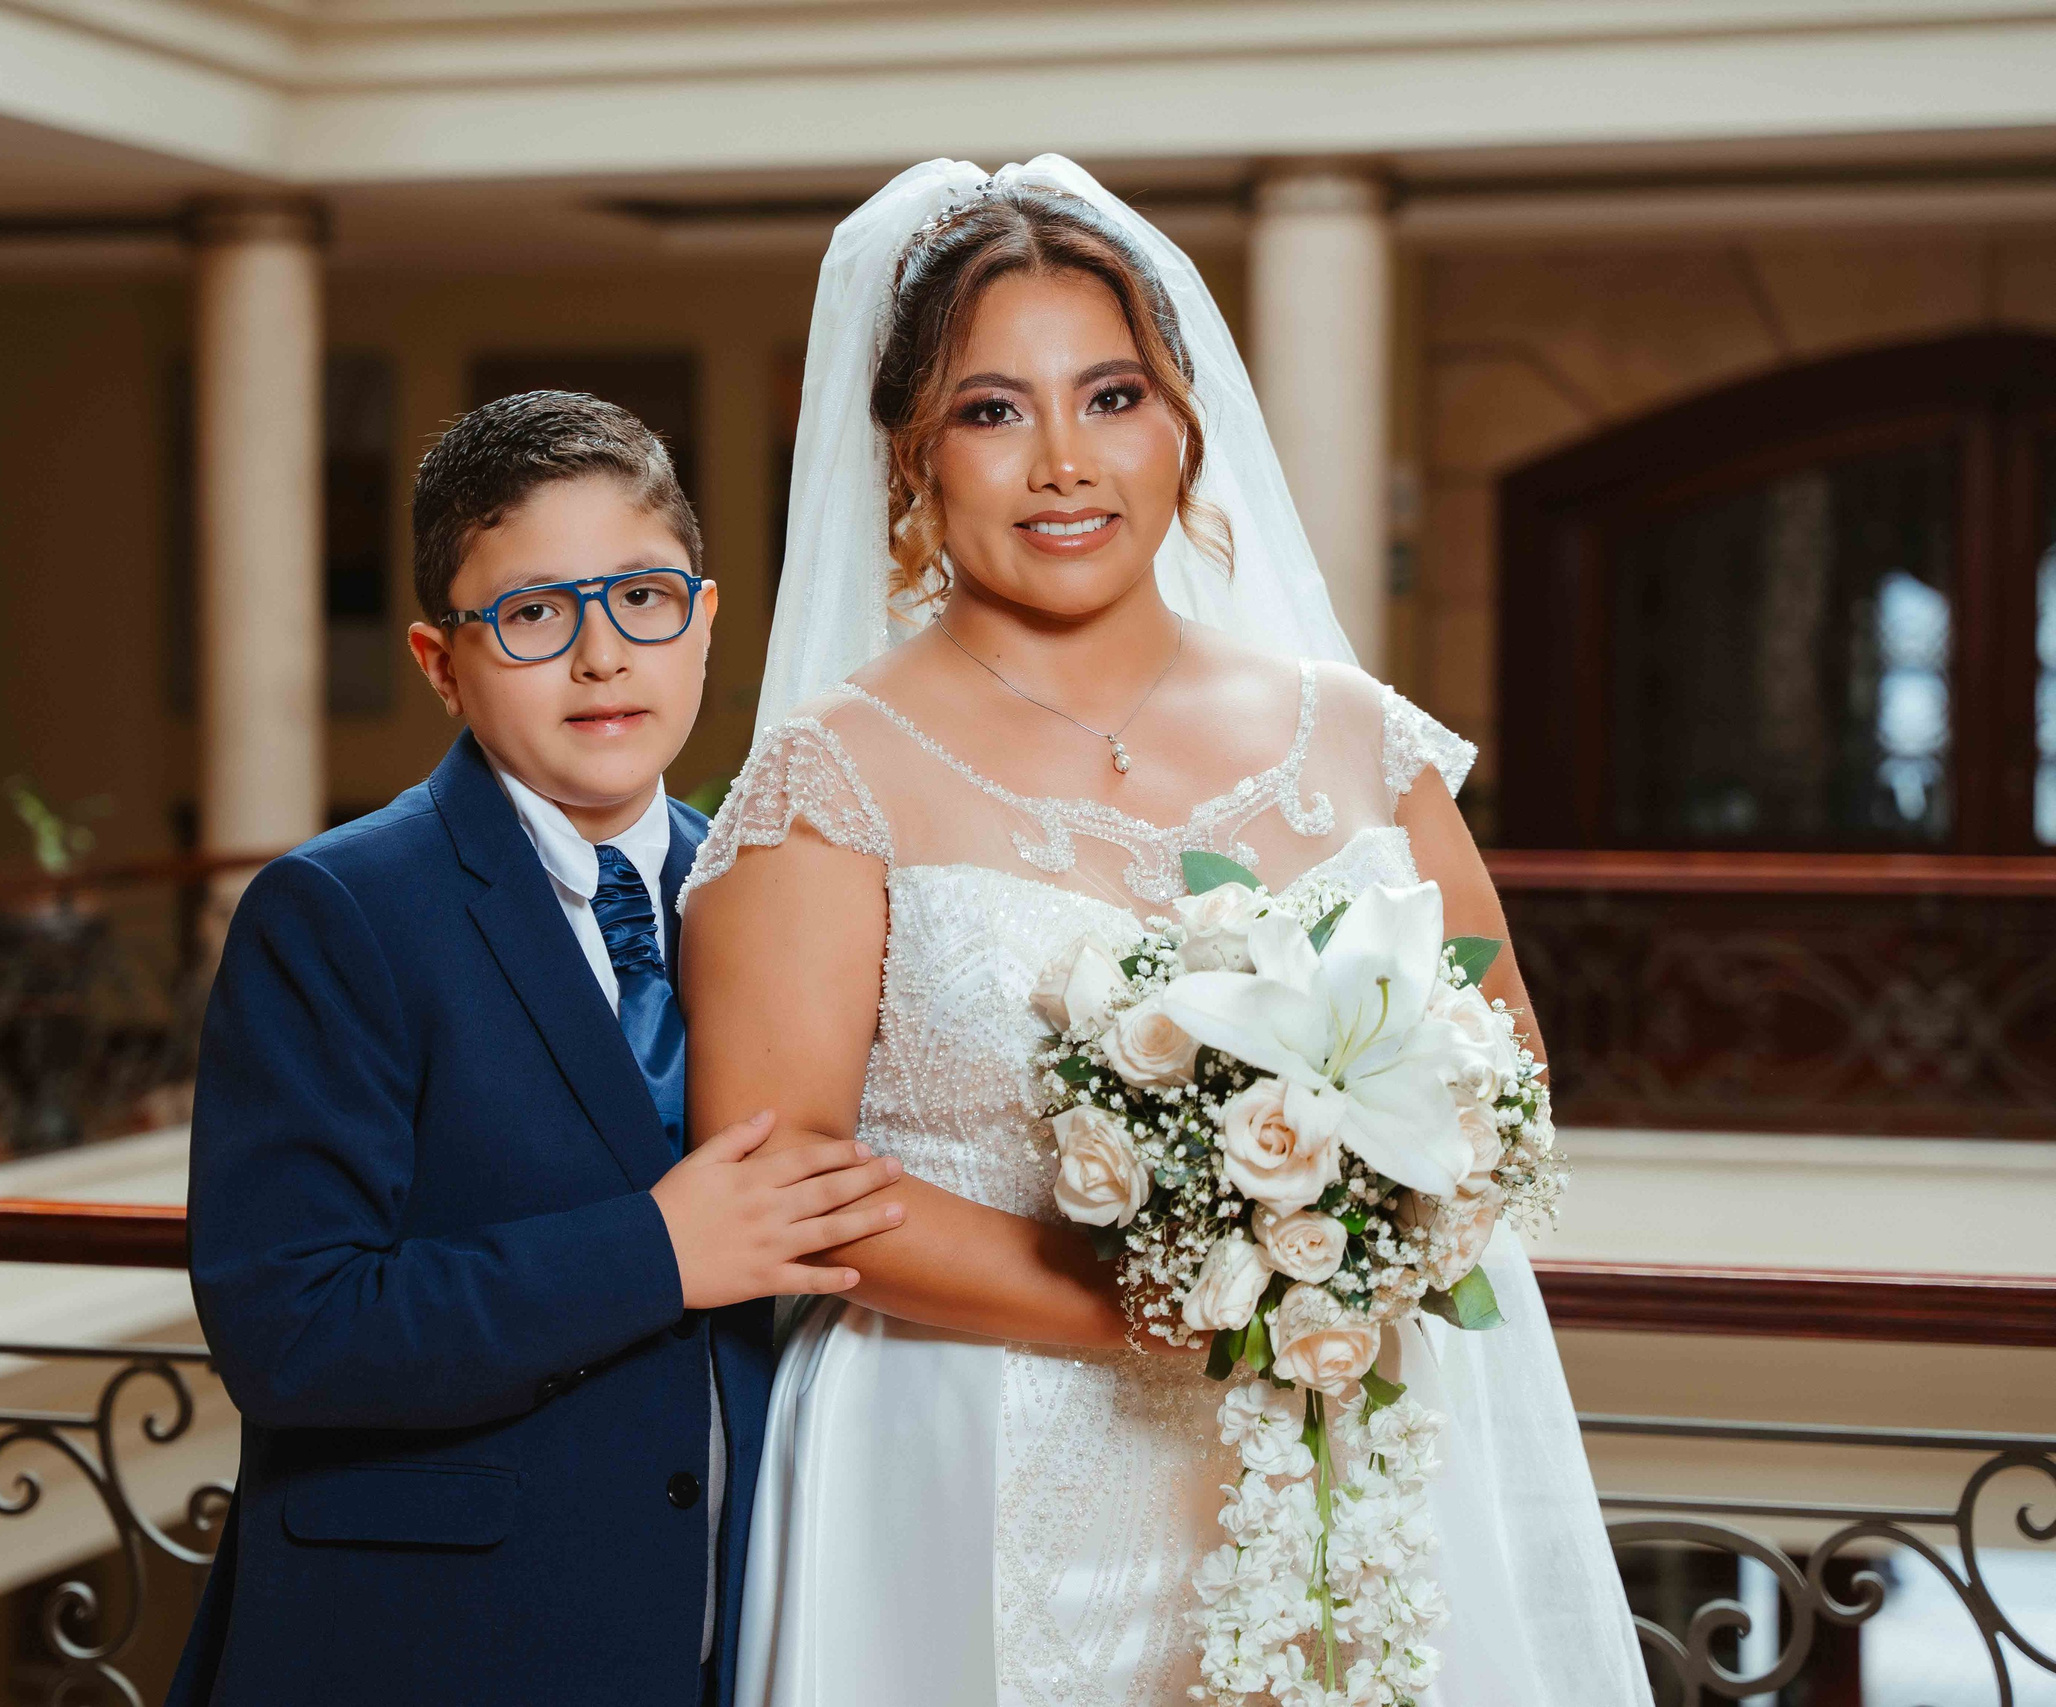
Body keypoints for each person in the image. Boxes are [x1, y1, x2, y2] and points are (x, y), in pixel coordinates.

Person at [679, 160, 1649, 1706]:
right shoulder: (829, 775)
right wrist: (1171, 1318)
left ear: (1184, 419)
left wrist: (1329, 1266)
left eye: (1111, 395)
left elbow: (1500, 1066)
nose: (1064, 462)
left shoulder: (1355, 739)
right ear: (908, 456)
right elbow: (786, 1190)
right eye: (994, 412)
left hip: (1342, 1449)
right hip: (976, 1450)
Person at [168, 390, 904, 1707]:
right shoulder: (339, 911)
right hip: (428, 1650)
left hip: (722, 1638)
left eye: (643, 598)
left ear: (707, 618)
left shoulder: (767, 889)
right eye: (531, 616)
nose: (602, 656)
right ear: (438, 660)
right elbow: (292, 1329)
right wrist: (658, 1252)